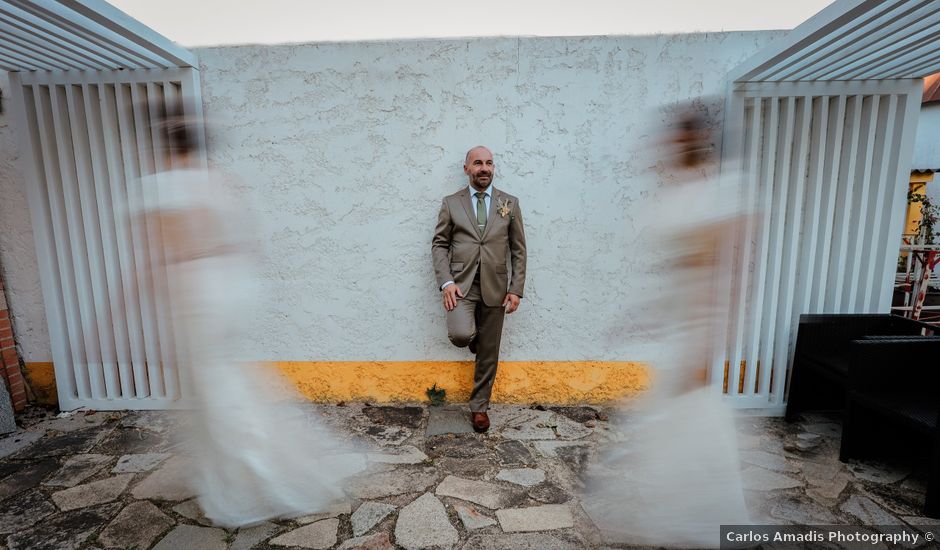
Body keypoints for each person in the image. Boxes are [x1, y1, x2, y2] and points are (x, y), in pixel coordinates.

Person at [134, 103, 362, 527]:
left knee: (218, 392)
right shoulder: (219, 182)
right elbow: (248, 244)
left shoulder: (160, 187)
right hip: (233, 288)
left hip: (196, 292)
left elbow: (159, 259)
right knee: (228, 381)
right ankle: (260, 467)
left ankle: (263, 475)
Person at [583, 102, 751, 548]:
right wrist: (643, 317)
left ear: (694, 141)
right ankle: (681, 523)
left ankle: (707, 528)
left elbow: (727, 277)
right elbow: (678, 271)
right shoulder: (680, 195)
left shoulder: (723, 195)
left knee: (695, 425)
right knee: (670, 430)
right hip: (679, 325)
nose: (665, 146)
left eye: (675, 138)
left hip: (699, 328)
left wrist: (709, 345)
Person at [431, 146, 527, 433]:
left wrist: (516, 288)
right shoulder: (451, 203)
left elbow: (518, 250)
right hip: (461, 285)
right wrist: (446, 282)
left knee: (490, 351)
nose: (484, 168)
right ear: (466, 169)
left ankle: (479, 408)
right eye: (477, 163)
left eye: (488, 163)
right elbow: (439, 244)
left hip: (496, 286)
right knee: (461, 334)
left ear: (493, 168)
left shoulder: (509, 203)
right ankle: (474, 339)